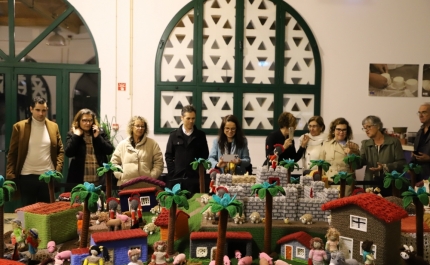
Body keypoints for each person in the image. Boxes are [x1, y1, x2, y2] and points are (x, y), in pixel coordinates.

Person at [6, 96, 64, 205]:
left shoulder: (53, 126)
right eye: (37, 110)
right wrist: (11, 176)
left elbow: (60, 150)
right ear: (31, 109)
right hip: (27, 175)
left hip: (48, 175)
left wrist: (58, 170)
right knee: (28, 212)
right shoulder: (20, 127)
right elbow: (12, 153)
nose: (41, 113)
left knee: (46, 212)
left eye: (43, 110)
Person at [165, 105, 209, 195]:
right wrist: (173, 172)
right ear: (182, 118)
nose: (191, 121)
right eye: (188, 118)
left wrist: (199, 173)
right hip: (177, 179)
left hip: (195, 180)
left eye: (193, 118)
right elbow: (168, 155)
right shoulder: (173, 135)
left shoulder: (200, 136)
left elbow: (205, 155)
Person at [65, 109, 114, 187]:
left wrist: (98, 137)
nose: (87, 123)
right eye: (84, 120)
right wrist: (76, 136)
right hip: (80, 179)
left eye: (90, 120)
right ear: (78, 121)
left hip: (99, 179)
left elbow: (109, 150)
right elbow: (68, 153)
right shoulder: (73, 134)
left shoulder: (99, 132)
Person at [110, 116, 164, 186]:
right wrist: (121, 175)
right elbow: (113, 163)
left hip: (146, 185)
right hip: (126, 185)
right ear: (132, 127)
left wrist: (151, 177)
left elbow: (159, 163)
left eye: (142, 126)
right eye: (137, 126)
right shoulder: (122, 145)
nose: (140, 128)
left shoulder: (152, 144)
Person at [359, 116, 405, 197]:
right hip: (370, 184)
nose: (366, 130)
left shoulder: (394, 142)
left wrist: (385, 167)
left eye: (369, 127)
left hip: (390, 185)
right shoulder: (365, 144)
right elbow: (360, 163)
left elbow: (402, 164)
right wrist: (353, 155)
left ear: (378, 126)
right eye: (364, 128)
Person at [319, 117, 359, 196]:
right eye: (338, 129)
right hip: (329, 184)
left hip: (346, 184)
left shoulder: (353, 146)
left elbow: (357, 165)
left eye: (344, 130)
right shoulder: (326, 145)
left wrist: (351, 154)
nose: (341, 132)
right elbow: (321, 166)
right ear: (333, 131)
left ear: (347, 132)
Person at [413, 103, 430, 181]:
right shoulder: (420, 131)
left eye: (424, 112)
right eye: (419, 113)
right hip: (419, 175)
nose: (420, 115)